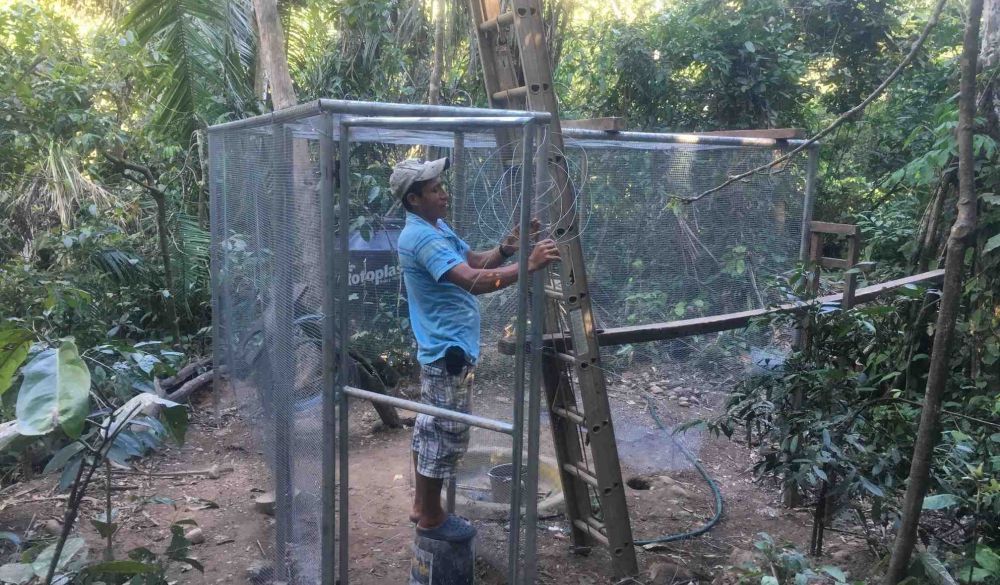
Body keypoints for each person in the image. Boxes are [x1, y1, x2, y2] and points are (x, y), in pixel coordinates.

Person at [391, 157, 560, 542]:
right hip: (446, 349)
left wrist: (506, 248)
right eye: (434, 189)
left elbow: (472, 261)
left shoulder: (435, 228)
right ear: (415, 199)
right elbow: (472, 281)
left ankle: (422, 506)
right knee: (446, 432)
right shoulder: (422, 238)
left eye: (440, 185)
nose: (443, 192)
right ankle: (432, 517)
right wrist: (529, 266)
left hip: (446, 346)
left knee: (429, 426)